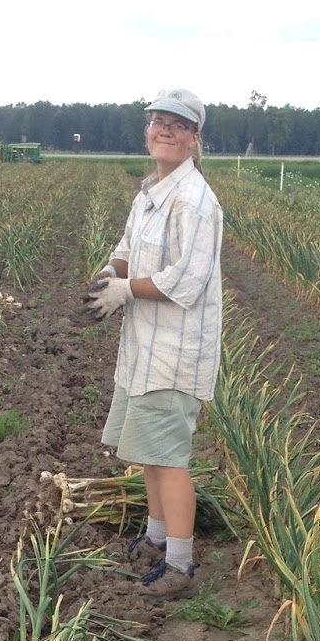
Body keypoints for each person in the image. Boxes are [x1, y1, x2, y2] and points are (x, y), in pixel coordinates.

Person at [84, 88, 223, 599]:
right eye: (157, 121)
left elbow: (185, 281)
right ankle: (157, 537)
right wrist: (110, 273)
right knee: (148, 453)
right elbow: (126, 250)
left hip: (174, 351)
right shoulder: (150, 192)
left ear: (193, 139)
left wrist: (125, 291)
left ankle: (181, 565)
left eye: (177, 125)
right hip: (143, 349)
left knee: (169, 459)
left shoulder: (194, 202)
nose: (164, 130)